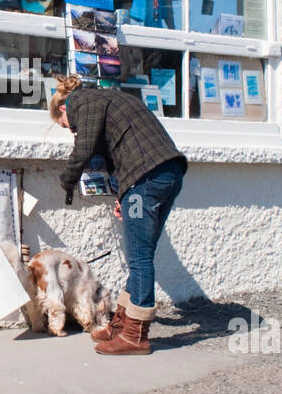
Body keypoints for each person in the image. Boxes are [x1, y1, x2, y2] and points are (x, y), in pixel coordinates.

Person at [50, 74, 188, 356]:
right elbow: (117, 151)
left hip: (146, 178)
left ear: (63, 109)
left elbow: (84, 148)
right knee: (141, 254)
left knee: (139, 258)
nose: (71, 130)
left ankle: (136, 337)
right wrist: (122, 195)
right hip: (167, 174)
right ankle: (122, 324)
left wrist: (66, 180)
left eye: (66, 127)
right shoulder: (107, 98)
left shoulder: (82, 102)